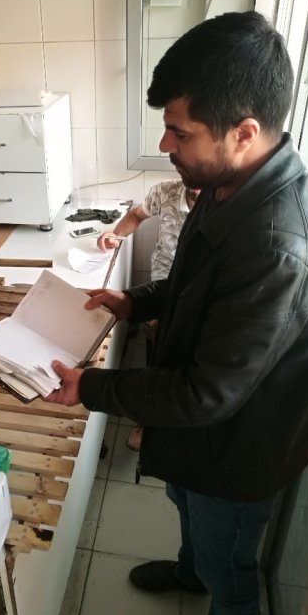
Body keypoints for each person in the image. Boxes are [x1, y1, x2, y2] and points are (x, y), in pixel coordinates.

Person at [43, 11, 308, 615]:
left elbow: (205, 395)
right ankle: (191, 573)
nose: (167, 145)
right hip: (199, 440)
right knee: (188, 511)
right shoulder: (228, 184)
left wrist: (90, 386)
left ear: (243, 133)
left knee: (230, 570)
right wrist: (136, 301)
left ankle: (212, 581)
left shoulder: (279, 247)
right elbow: (198, 282)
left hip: (235, 452)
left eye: (179, 132)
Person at [96, 180, 200, 452]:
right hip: (161, 284)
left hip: (200, 291)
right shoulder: (165, 192)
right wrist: (115, 235)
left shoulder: (229, 202)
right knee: (155, 346)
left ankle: (177, 423)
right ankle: (147, 420)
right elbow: (135, 215)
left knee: (189, 354)